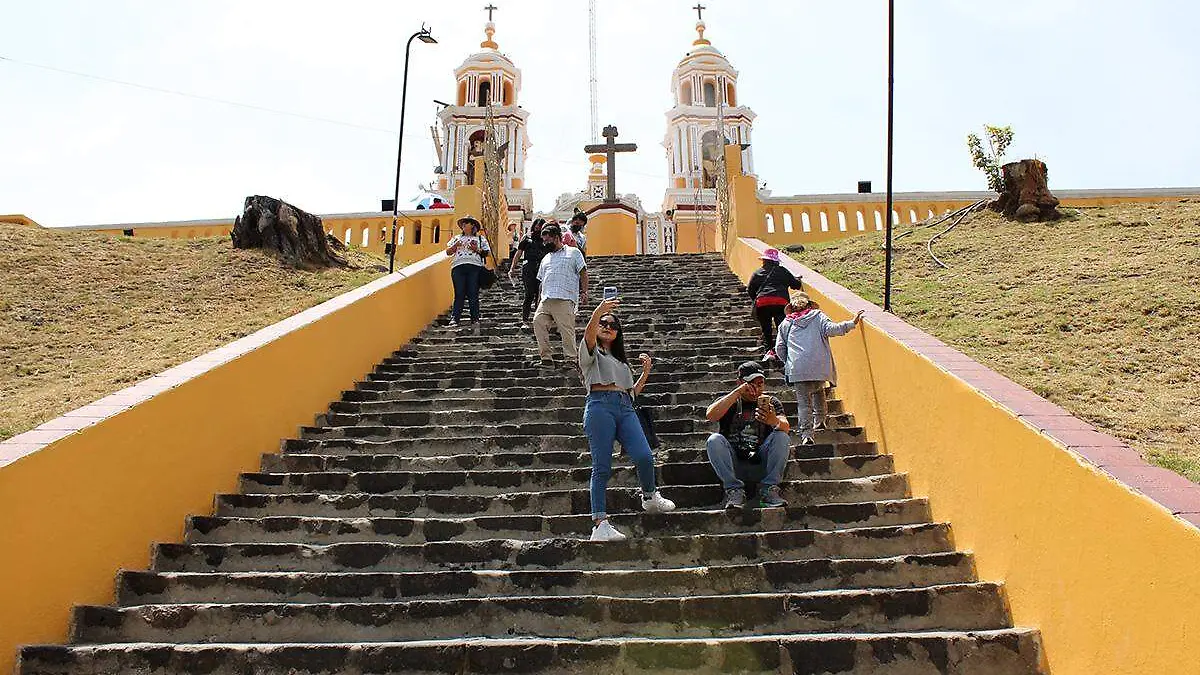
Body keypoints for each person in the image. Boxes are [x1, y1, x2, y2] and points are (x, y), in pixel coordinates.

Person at [580, 298, 675, 541]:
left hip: (625, 407)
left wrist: (645, 373)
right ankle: (600, 523)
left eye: (612, 325)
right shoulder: (592, 352)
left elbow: (631, 391)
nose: (607, 326)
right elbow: (590, 335)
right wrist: (598, 311)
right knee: (601, 467)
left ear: (618, 333)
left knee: (644, 455)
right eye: (603, 323)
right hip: (600, 406)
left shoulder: (621, 361)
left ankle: (650, 496)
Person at [775, 292, 865, 445]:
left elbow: (779, 348)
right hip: (819, 365)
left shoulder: (786, 323)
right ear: (809, 304)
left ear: (792, 307)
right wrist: (852, 323)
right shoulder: (818, 316)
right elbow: (832, 329)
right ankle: (821, 419)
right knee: (818, 390)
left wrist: (789, 362)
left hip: (798, 367)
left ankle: (807, 434)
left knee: (804, 403)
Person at [704, 362, 792, 508]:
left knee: (781, 435)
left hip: (761, 463)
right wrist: (737, 393)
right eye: (751, 384)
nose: (756, 389)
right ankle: (734, 490)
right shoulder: (730, 400)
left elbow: (786, 426)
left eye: (760, 384)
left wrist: (773, 420)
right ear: (740, 382)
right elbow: (711, 415)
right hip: (734, 465)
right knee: (714, 440)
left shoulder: (771, 402)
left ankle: (769, 490)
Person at [533, 224, 588, 368]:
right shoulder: (545, 258)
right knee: (538, 322)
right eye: (543, 241)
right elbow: (541, 280)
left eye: (547, 240)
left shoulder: (574, 252)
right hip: (546, 299)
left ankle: (571, 359)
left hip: (564, 297)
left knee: (566, 329)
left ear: (557, 237)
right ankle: (546, 358)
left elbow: (583, 272)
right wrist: (538, 300)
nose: (545, 243)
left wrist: (584, 291)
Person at [746, 248, 804, 363]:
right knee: (781, 328)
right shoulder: (782, 271)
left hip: (762, 303)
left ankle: (769, 351)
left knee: (766, 329)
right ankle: (782, 352)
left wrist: (757, 301)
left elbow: (750, 290)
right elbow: (796, 285)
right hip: (780, 303)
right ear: (776, 261)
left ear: (764, 260)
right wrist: (797, 279)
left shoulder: (757, 272)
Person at [445, 216, 491, 327]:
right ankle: (455, 318)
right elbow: (448, 252)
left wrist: (477, 249)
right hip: (458, 267)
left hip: (475, 267)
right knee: (459, 293)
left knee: (473, 293)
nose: (464, 225)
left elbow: (488, 253)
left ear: (473, 226)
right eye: (463, 223)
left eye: (467, 223)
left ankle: (475, 318)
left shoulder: (480, 239)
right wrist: (455, 246)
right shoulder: (456, 238)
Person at [509, 218, 550, 325]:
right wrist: (512, 267)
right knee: (529, 293)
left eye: (540, 226)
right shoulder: (526, 238)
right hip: (529, 267)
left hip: (542, 268)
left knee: (540, 294)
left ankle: (538, 319)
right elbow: (518, 253)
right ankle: (525, 319)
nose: (538, 227)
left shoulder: (546, 240)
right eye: (536, 226)